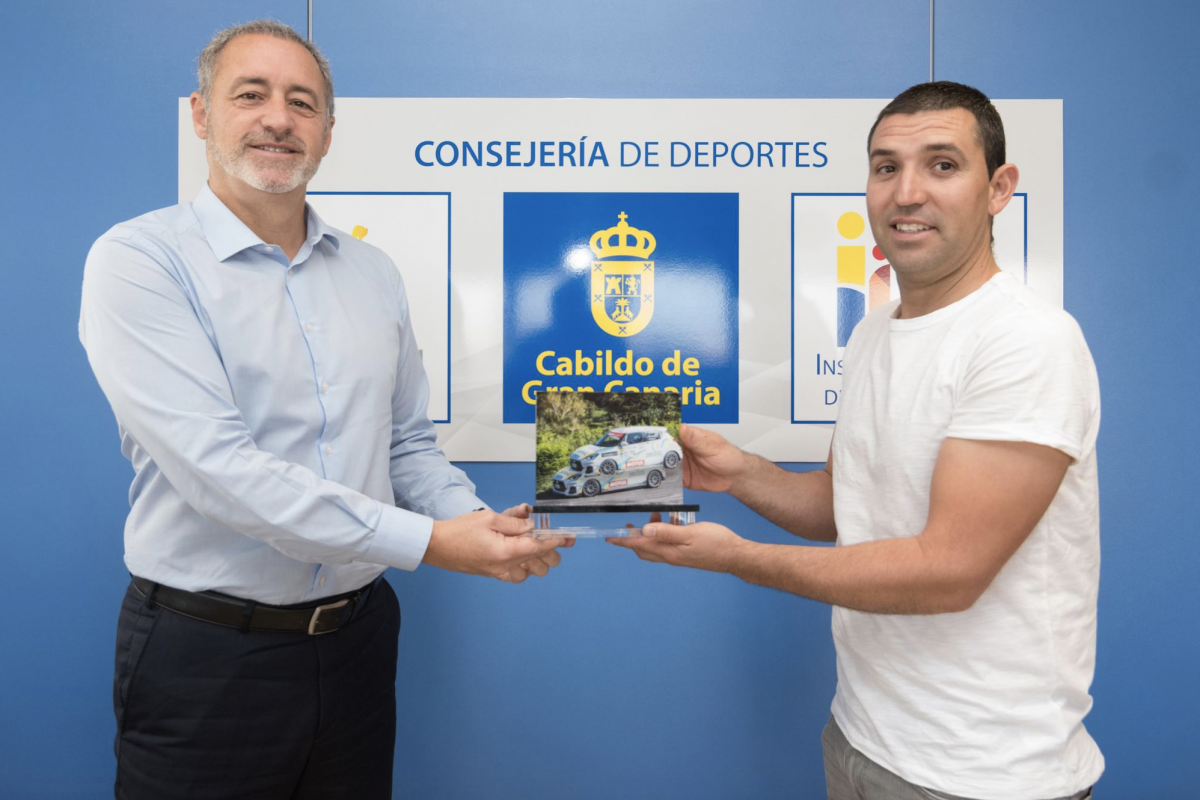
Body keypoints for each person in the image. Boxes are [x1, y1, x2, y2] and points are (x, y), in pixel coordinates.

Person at [79, 20, 568, 799]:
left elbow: (406, 441)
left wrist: (480, 523)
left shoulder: (372, 272)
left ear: (328, 132)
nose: (278, 118)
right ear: (201, 114)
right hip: (209, 653)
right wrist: (435, 542)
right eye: (251, 95)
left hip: (357, 641)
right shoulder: (141, 262)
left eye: (302, 102)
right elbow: (220, 471)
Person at [610, 82, 1102, 800]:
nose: (907, 193)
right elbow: (844, 504)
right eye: (885, 167)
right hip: (861, 736)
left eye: (942, 165)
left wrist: (739, 559)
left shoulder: (1026, 340)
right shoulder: (875, 330)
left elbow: (949, 571)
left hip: (981, 771)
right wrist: (738, 472)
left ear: (999, 188)